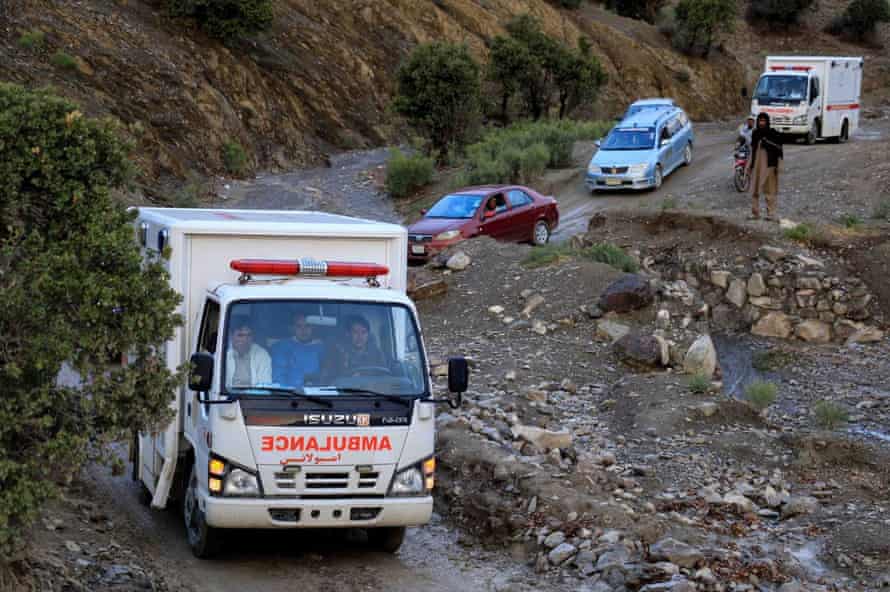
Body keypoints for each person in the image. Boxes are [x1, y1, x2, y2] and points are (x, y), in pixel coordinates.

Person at [271, 312, 324, 387]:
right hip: (290, 394)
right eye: (299, 326)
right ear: (292, 328)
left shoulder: (320, 348)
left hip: (317, 394)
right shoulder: (282, 347)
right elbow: (278, 378)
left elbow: (326, 374)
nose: (303, 330)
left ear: (313, 327)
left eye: (307, 326)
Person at [748, 112, 783, 221]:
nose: (761, 123)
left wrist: (778, 166)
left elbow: (779, 150)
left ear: (767, 122)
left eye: (763, 121)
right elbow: (752, 150)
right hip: (757, 165)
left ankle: (771, 214)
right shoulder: (755, 133)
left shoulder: (773, 134)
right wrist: (749, 165)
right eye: (760, 121)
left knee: (769, 190)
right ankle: (755, 213)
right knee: (754, 189)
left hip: (769, 165)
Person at [225, 317, 272, 387]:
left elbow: (265, 385)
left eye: (249, 335)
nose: (245, 340)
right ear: (231, 336)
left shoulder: (262, 355)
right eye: (240, 335)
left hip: (253, 397)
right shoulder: (222, 354)